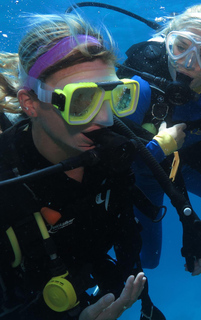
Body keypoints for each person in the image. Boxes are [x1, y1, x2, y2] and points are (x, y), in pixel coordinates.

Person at [0, 13, 152, 320]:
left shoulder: (114, 149)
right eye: (82, 100)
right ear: (30, 103)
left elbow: (125, 225)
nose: (105, 119)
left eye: (114, 97)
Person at [117, 4, 201, 271]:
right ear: (168, 42)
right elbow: (118, 156)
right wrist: (161, 146)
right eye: (180, 47)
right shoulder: (141, 85)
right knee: (150, 259)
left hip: (190, 164)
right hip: (146, 174)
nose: (189, 63)